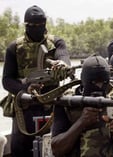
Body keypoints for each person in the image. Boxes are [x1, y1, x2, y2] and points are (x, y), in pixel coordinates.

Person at [2, 5, 71, 157]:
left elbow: (64, 58)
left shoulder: (56, 43)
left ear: (45, 24)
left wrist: (62, 64)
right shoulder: (14, 47)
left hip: (52, 106)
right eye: (32, 26)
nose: (36, 29)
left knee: (54, 147)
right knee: (20, 150)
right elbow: (7, 80)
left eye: (40, 26)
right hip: (25, 107)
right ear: (26, 25)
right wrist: (25, 88)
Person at [51, 54, 113, 157]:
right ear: (84, 81)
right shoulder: (67, 101)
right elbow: (56, 149)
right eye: (94, 82)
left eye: (104, 82)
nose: (99, 86)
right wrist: (81, 123)